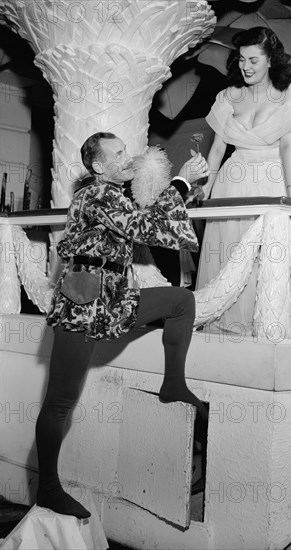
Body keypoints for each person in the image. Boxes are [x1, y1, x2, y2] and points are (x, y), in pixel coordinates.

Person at [35, 132, 209, 520]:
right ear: (98, 166)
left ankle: (173, 384)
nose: (127, 157)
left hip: (114, 296)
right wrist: (179, 182)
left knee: (182, 301)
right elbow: (144, 226)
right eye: (117, 154)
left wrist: (182, 192)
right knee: (60, 401)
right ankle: (47, 488)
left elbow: (144, 218)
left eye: (125, 150)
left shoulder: (114, 195)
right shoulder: (97, 194)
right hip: (81, 302)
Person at [196, 27, 291, 335]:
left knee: (269, 255)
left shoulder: (287, 95)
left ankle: (271, 322)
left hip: (272, 179)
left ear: (270, 61)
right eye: (242, 59)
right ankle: (227, 322)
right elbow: (216, 151)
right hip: (233, 181)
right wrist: (203, 190)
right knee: (230, 253)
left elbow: (286, 147)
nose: (246, 66)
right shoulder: (227, 96)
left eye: (254, 59)